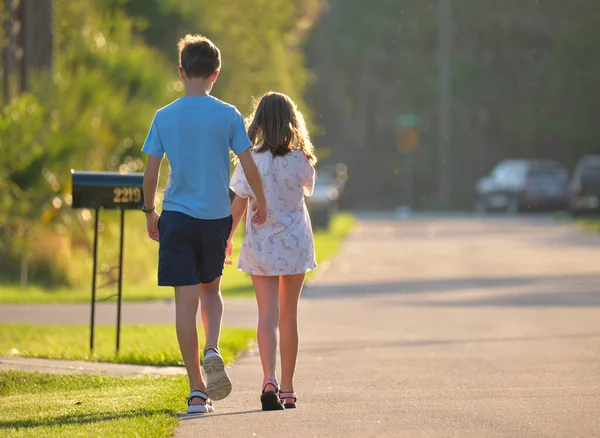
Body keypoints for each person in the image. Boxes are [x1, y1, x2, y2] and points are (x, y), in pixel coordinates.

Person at [141, 34, 267, 414]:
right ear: (215, 74)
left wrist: (150, 210)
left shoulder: (164, 116)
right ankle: (213, 346)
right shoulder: (227, 114)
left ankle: (197, 390)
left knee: (185, 303)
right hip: (215, 218)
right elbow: (248, 165)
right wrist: (260, 201)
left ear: (181, 72)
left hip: (176, 217)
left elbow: (150, 173)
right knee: (210, 290)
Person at [228, 91, 317, 411]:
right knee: (288, 316)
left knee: (266, 315)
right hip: (294, 244)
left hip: (262, 245)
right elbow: (308, 188)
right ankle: (289, 389)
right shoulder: (301, 160)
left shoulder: (249, 159)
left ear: (259, 122)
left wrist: (227, 238)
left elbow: (238, 204)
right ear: (293, 121)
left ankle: (269, 380)